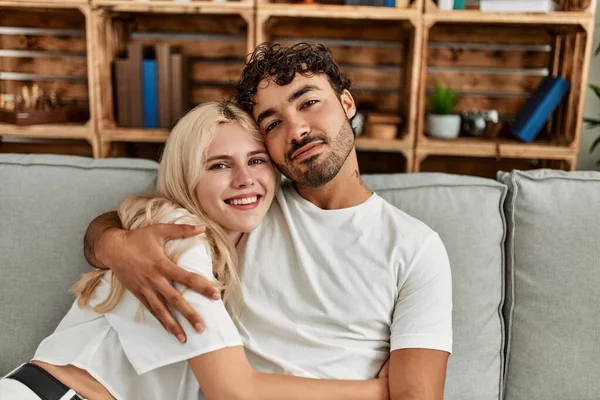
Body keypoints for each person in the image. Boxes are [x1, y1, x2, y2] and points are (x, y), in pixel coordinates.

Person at [83, 42, 453, 399]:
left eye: (309, 103)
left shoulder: (415, 246)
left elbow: (416, 394)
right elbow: (144, 213)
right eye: (273, 123)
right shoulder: (248, 206)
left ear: (346, 103)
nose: (297, 130)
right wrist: (114, 244)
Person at [0, 101, 390, 400]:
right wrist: (378, 390)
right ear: (187, 175)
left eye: (256, 160)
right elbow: (233, 389)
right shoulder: (178, 235)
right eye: (219, 165)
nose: (244, 180)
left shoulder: (229, 242)